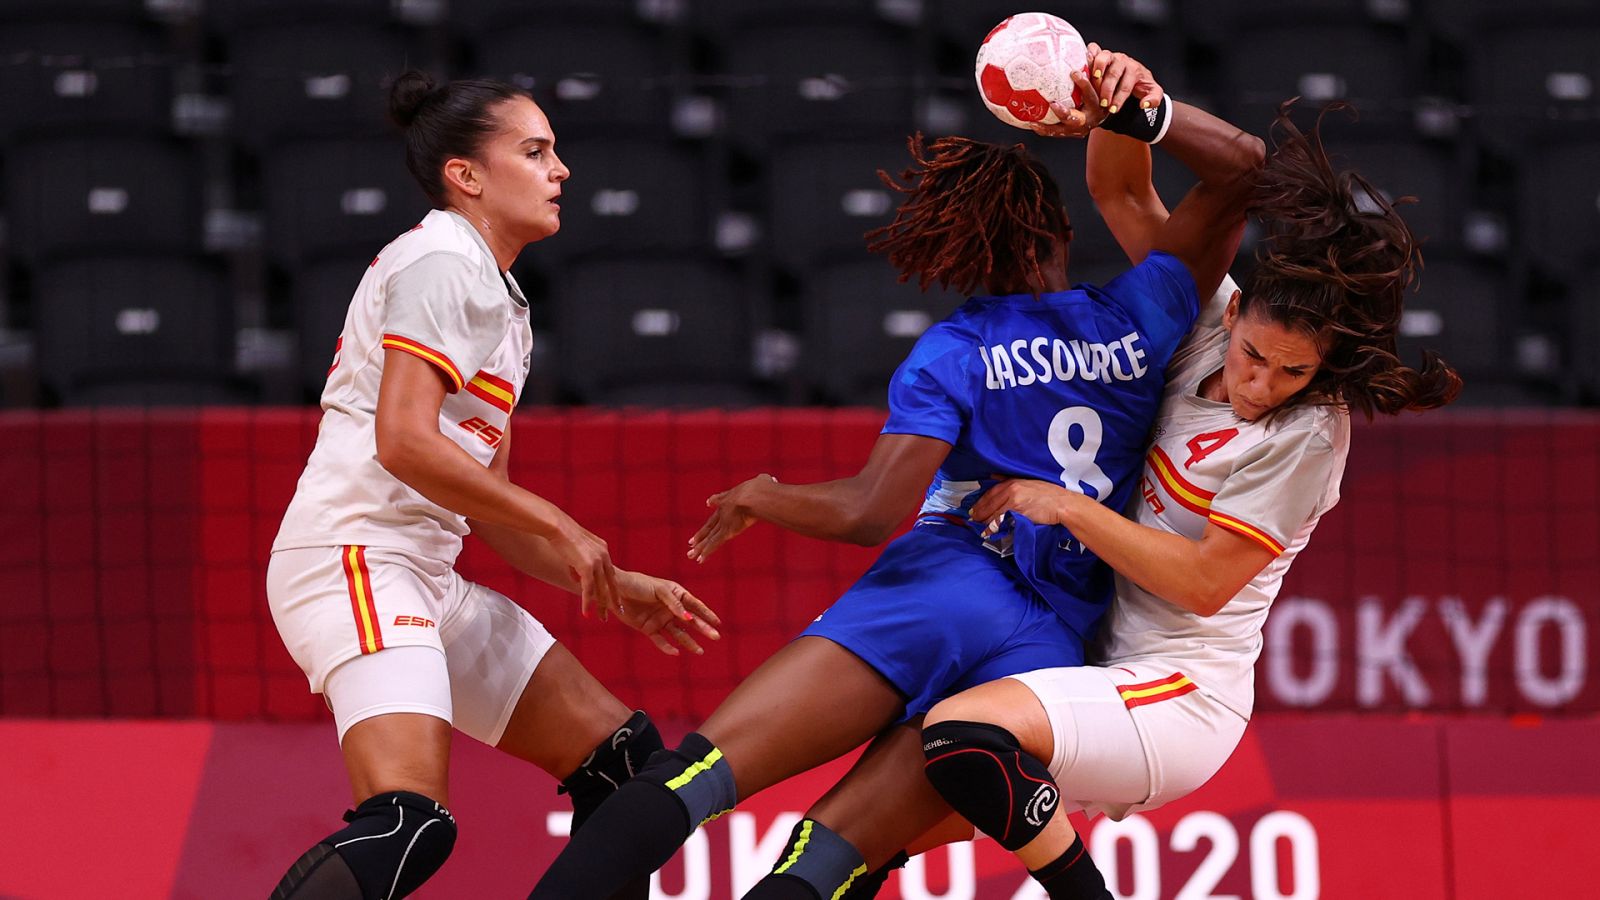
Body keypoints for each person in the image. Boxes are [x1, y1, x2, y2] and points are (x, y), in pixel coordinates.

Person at [531, 49, 1266, 900]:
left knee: (690, 781)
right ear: (1060, 233)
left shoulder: (953, 351)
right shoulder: (1145, 316)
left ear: (956, 251)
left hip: (940, 589)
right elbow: (1246, 167)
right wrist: (1137, 109)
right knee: (830, 858)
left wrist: (763, 495)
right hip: (1047, 648)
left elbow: (870, 513)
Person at [832, 92, 1462, 897]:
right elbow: (1122, 193)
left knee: (961, 734)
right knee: (855, 841)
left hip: (1176, 691)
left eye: (1293, 372)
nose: (1260, 386)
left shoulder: (1305, 435)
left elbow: (1203, 584)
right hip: (1088, 661)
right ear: (1235, 315)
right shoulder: (1206, 322)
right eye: (1255, 357)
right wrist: (1118, 99)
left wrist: (1066, 506)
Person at [265, 70, 721, 900]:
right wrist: (561, 523)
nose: (561, 171)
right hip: (356, 555)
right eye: (536, 150)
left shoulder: (499, 295)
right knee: (408, 824)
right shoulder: (442, 258)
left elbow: (491, 508)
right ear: (465, 175)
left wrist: (605, 580)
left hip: (424, 571)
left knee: (625, 766)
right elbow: (402, 441)